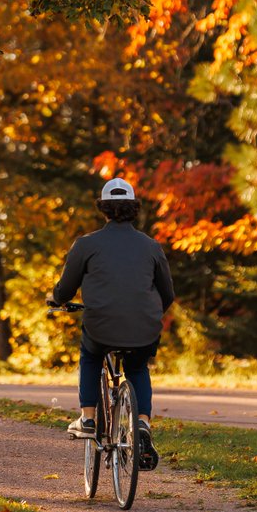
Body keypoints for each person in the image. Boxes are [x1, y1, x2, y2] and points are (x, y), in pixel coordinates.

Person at [47, 176, 175, 470]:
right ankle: (142, 423)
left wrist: (56, 300)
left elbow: (66, 289)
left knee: (90, 356)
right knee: (138, 367)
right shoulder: (151, 246)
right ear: (134, 208)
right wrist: (150, 313)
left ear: (103, 208)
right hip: (145, 326)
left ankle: (88, 418)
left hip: (101, 326)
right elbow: (167, 293)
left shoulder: (86, 244)